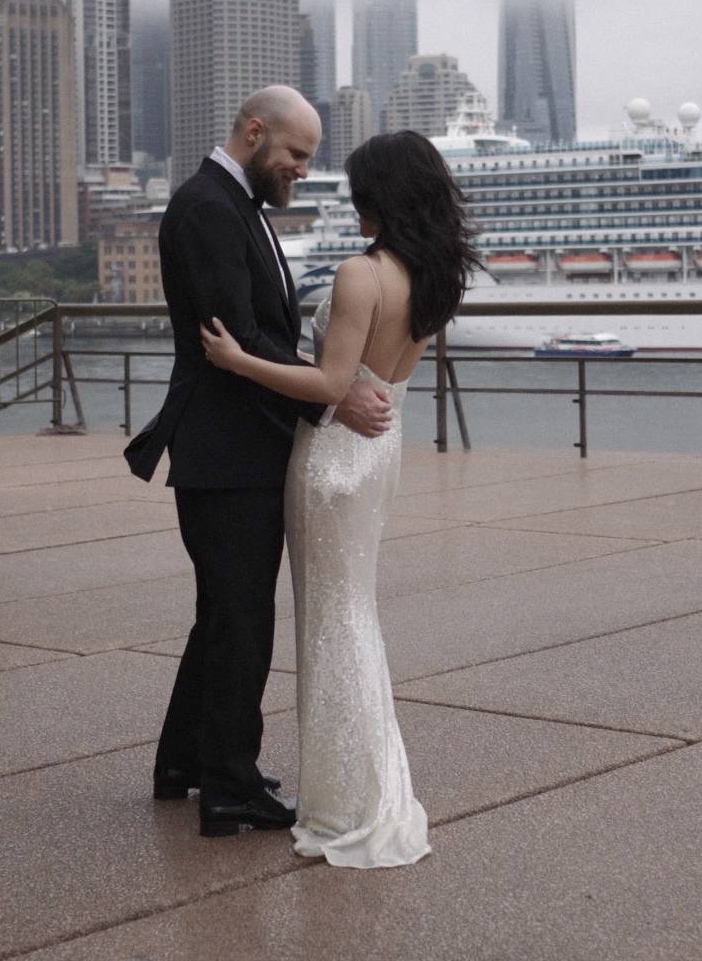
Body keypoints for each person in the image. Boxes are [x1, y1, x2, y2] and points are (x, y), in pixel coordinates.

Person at [199, 128, 477, 868]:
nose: (349, 202)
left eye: (357, 190)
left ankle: (350, 799)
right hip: (379, 453)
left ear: (381, 195)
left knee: (332, 622)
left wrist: (239, 358)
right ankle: (355, 786)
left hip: (330, 464)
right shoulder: (435, 273)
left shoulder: (362, 274)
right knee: (350, 613)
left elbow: (328, 387)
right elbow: (363, 379)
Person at [126, 87, 395, 838]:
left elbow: (253, 335)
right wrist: (334, 397)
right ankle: (231, 789)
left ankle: (186, 763)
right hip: (226, 451)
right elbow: (235, 336)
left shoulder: (232, 204)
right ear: (254, 132)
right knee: (241, 621)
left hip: (234, 446)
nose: (303, 170)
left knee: (222, 615)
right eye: (297, 154)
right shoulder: (209, 208)